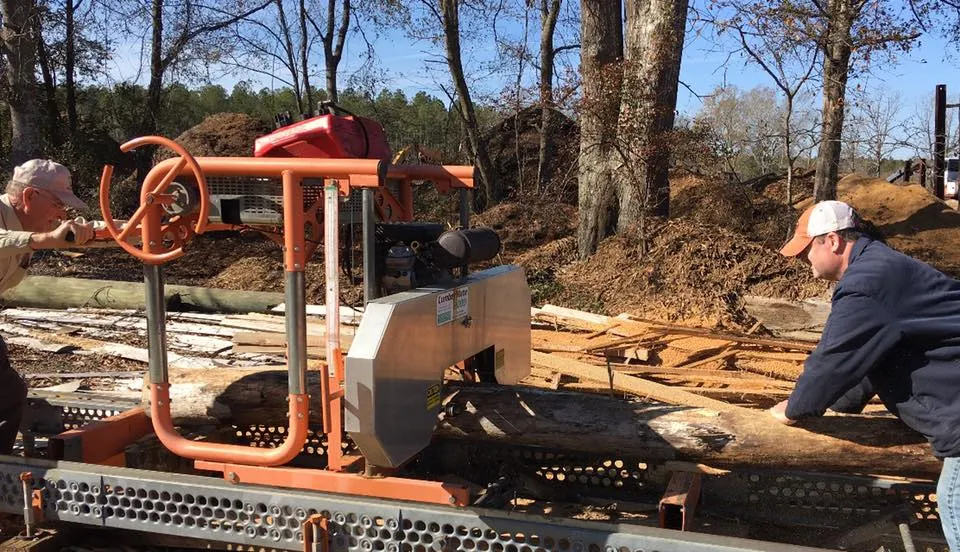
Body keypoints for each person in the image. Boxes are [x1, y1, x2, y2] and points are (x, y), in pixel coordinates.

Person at [769, 199, 960, 550]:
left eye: (806, 250)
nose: (803, 260)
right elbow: (873, 358)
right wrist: (842, 405)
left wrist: (795, 408)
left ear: (833, 241)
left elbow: (835, 359)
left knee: (952, 503)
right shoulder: (882, 268)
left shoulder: (868, 283)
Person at [0, 159, 94, 455]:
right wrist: (46, 239)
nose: (62, 214)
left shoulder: (26, 227)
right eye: (57, 204)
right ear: (29, 197)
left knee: (8, 395)